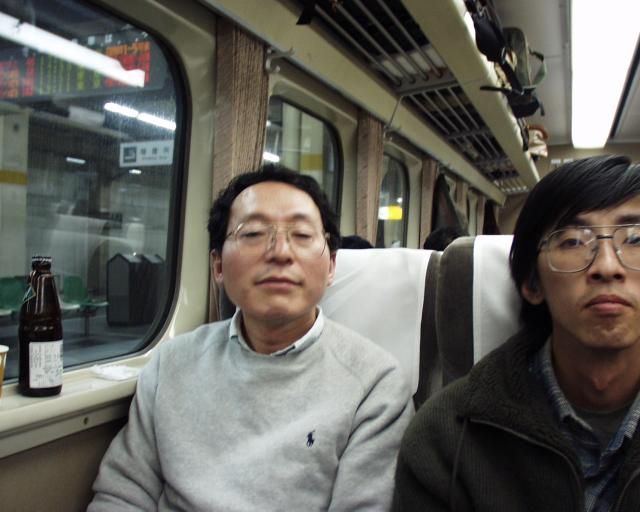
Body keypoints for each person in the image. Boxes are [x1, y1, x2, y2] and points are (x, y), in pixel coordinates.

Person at [89, 165, 413, 511]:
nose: (280, 252)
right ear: (217, 266)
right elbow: (122, 496)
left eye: (302, 235)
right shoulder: (171, 363)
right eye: (254, 233)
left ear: (331, 265)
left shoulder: (375, 385)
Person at [393, 155, 640, 511]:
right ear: (532, 283)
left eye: (634, 238)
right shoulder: (445, 435)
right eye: (572, 241)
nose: (606, 266)